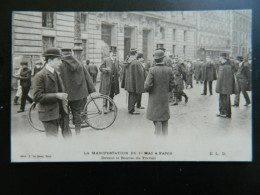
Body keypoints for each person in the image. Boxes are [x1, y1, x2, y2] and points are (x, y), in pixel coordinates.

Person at [33, 48, 72, 137]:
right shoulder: (40, 76)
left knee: (68, 137)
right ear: (50, 60)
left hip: (62, 112)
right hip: (49, 115)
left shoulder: (56, 73)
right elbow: (37, 96)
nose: (60, 62)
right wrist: (57, 95)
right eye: (58, 60)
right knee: (52, 140)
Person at [59, 48, 96, 134]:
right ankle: (78, 133)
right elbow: (87, 77)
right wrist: (90, 89)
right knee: (77, 114)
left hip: (65, 95)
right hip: (78, 94)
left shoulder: (60, 65)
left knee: (65, 114)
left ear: (62, 54)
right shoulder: (79, 64)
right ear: (71, 53)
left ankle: (67, 134)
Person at [144, 49, 175, 136]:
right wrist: (166, 91)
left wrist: (150, 90)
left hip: (154, 99)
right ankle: (165, 139)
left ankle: (158, 142)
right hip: (164, 98)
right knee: (165, 119)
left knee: (157, 120)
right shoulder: (169, 70)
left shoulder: (152, 70)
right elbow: (172, 84)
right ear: (163, 58)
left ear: (155, 59)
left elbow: (147, 86)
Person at [121, 48, 145, 115]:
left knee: (131, 95)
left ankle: (130, 108)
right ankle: (131, 110)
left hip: (128, 82)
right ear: (135, 53)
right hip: (134, 82)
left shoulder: (127, 60)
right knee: (134, 95)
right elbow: (141, 72)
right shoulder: (136, 62)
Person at [215, 53, 238, 118]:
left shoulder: (227, 67)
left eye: (219, 57)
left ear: (222, 58)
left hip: (225, 88)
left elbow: (229, 79)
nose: (219, 58)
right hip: (222, 87)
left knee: (225, 100)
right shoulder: (222, 65)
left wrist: (226, 88)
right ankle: (222, 112)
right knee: (222, 100)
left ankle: (226, 113)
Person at [99, 48, 121, 114]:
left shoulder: (117, 61)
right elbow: (100, 68)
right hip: (107, 80)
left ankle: (111, 106)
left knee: (112, 93)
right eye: (113, 54)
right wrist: (106, 69)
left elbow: (117, 69)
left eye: (115, 54)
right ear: (110, 54)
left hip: (114, 80)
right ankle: (104, 107)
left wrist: (119, 72)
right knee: (105, 93)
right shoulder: (106, 60)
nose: (114, 55)